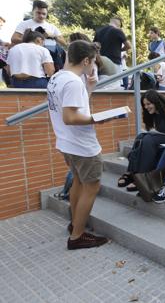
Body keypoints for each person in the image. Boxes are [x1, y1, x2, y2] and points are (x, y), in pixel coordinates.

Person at [47, 40, 108, 249]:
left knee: (78, 183)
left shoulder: (57, 78)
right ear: (85, 60)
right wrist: (97, 119)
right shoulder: (73, 82)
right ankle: (77, 237)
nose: (93, 67)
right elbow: (71, 117)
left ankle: (75, 224)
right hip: (82, 146)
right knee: (91, 186)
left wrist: (89, 88)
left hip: (66, 143)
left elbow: (74, 109)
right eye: (93, 62)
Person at [117, 90, 165, 190]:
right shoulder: (154, 113)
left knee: (148, 140)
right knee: (140, 137)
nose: (146, 107)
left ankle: (142, 177)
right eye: (144, 105)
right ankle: (130, 172)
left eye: (148, 104)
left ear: (156, 102)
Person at [93, 16, 131, 88]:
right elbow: (128, 46)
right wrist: (120, 50)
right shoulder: (118, 31)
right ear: (119, 24)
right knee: (115, 86)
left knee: (103, 85)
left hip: (102, 62)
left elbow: (95, 46)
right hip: (114, 62)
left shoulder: (99, 31)